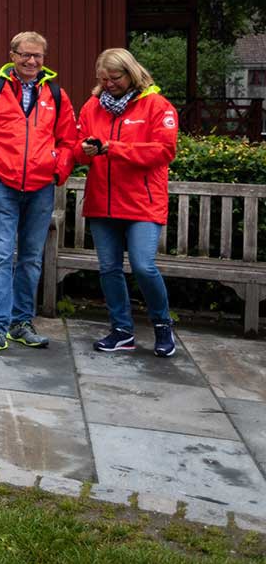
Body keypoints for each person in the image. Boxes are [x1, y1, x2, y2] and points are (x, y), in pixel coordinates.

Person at [0, 31, 78, 355]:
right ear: (12, 54)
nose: (31, 61)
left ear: (44, 59)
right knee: (1, 257)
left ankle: (21, 323)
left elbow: (68, 140)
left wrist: (59, 170)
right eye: (25, 55)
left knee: (30, 259)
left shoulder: (56, 94)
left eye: (38, 56)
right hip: (4, 186)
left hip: (41, 188)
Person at [75, 48, 180, 357]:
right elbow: (76, 150)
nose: (108, 84)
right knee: (108, 268)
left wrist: (114, 148)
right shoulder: (92, 107)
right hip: (102, 202)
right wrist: (86, 151)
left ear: (131, 73)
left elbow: (163, 151)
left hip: (142, 205)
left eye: (115, 78)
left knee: (144, 266)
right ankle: (121, 330)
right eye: (103, 79)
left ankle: (162, 325)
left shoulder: (157, 106)